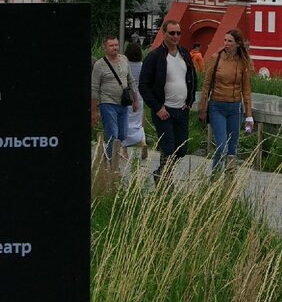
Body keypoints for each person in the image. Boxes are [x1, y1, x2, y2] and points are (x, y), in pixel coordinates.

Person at [139, 18, 197, 183]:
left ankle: (161, 172)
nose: (175, 36)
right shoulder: (155, 57)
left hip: (182, 109)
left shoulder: (185, 54)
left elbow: (192, 77)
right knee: (168, 146)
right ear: (164, 34)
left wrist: (190, 101)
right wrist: (157, 108)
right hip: (164, 110)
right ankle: (165, 179)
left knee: (182, 149)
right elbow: (143, 85)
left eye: (178, 33)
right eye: (172, 33)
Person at [199, 29, 255, 177]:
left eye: (230, 41)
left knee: (232, 148)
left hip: (235, 108)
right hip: (217, 106)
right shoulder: (216, 58)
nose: (226, 43)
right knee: (222, 146)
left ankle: (229, 180)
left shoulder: (243, 63)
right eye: (225, 40)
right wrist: (203, 108)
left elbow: (246, 90)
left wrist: (249, 116)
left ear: (237, 44)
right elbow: (206, 85)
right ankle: (214, 178)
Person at [91, 35, 136, 163]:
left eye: (116, 45)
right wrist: (94, 110)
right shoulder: (99, 65)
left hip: (123, 103)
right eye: (111, 45)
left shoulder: (124, 60)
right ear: (105, 48)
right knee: (113, 134)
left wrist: (136, 99)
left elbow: (131, 79)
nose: (114, 48)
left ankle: (110, 155)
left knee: (123, 134)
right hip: (107, 102)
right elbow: (94, 88)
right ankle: (111, 163)